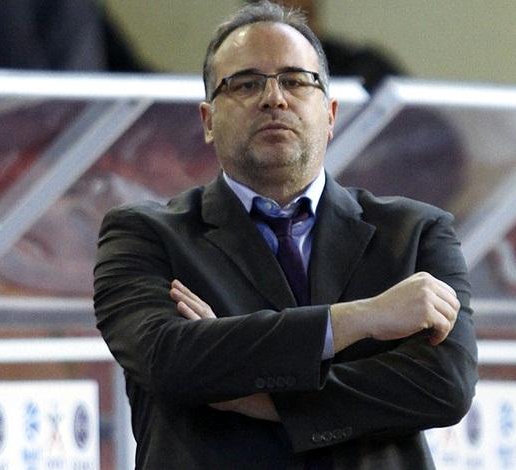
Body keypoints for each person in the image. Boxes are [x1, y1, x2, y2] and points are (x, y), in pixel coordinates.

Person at [93, 2, 478, 468]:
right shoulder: (145, 236)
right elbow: (170, 361)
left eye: (296, 81)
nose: (274, 98)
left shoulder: (415, 233)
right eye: (246, 84)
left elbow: (444, 388)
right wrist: (365, 318)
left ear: (330, 114)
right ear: (208, 121)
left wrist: (254, 396)